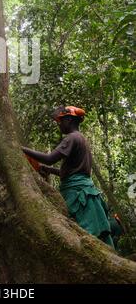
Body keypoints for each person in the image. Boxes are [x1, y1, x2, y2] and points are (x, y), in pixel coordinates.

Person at [22, 105, 114, 248]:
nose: (59, 124)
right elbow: (71, 172)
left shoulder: (71, 138)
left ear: (70, 120)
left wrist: (21, 148)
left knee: (83, 236)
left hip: (77, 195)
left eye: (61, 121)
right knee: (93, 237)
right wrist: (48, 170)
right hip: (84, 191)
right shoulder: (81, 139)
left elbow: (49, 158)